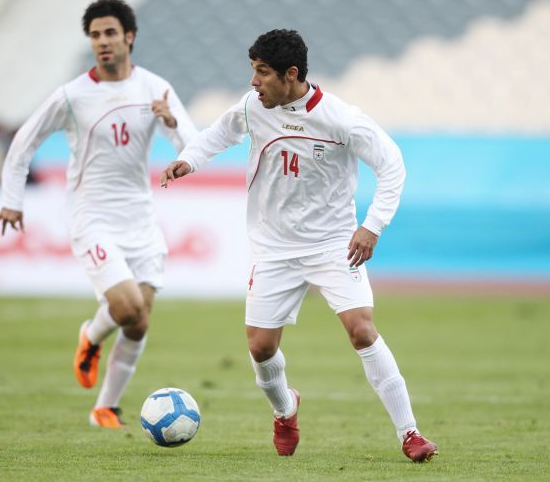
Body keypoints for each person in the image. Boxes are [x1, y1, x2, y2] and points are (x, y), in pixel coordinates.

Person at [161, 29, 437, 462]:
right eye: (253, 71)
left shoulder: (341, 119)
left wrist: (372, 226)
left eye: (262, 72)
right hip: (274, 248)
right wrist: (189, 160)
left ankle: (410, 434)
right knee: (260, 348)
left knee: (362, 330)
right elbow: (219, 133)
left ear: (290, 74)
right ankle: (285, 409)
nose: (254, 82)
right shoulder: (253, 107)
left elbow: (392, 164)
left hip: (333, 244)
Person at [0, 0, 198, 428]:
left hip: (140, 219)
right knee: (127, 307)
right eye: (95, 35)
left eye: (110, 33)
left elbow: (193, 150)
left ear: (129, 37)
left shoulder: (155, 88)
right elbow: (24, 142)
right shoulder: (72, 96)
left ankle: (105, 407)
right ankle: (90, 335)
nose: (102, 42)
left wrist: (172, 123)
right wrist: (12, 199)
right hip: (92, 218)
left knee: (139, 323)